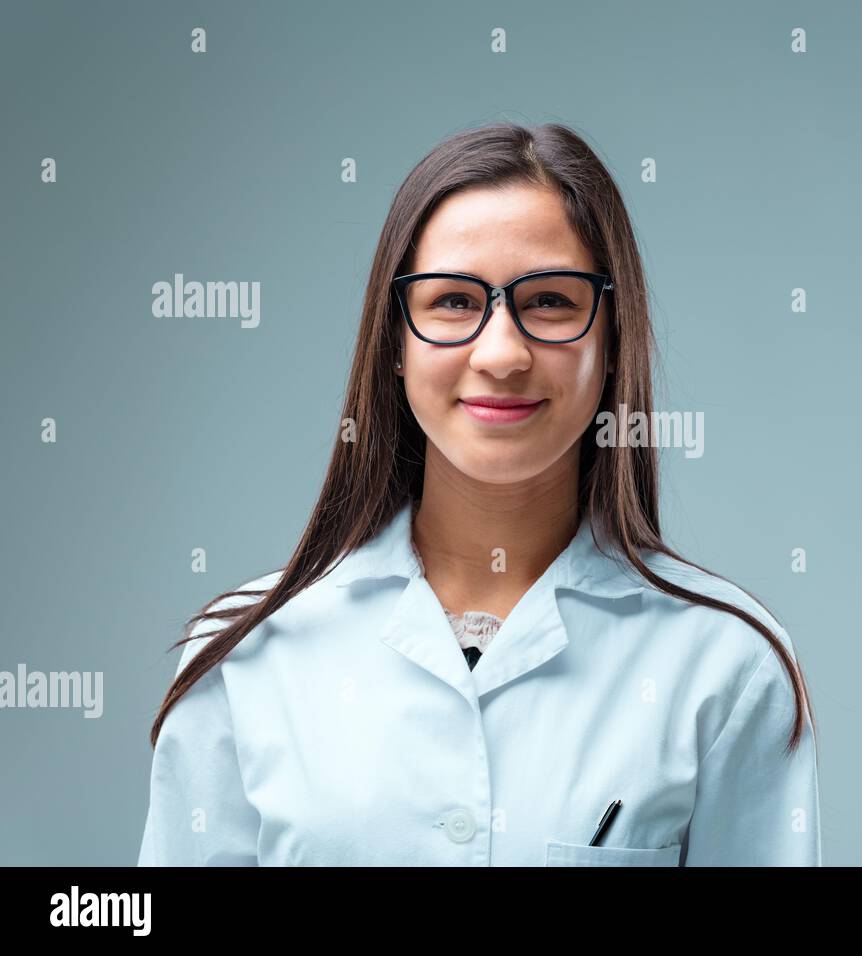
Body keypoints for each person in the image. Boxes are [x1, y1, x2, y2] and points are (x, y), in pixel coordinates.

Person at [137, 122, 822, 866]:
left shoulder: (726, 666)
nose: (501, 354)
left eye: (552, 301)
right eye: (455, 303)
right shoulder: (244, 657)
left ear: (613, 341)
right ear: (393, 343)